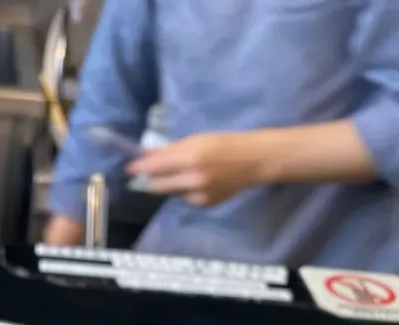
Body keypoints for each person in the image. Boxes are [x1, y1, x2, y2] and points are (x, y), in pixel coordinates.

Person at [45, 0, 399, 269]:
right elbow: (110, 97)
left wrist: (256, 160)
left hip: (343, 266)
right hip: (193, 252)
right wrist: (62, 245)